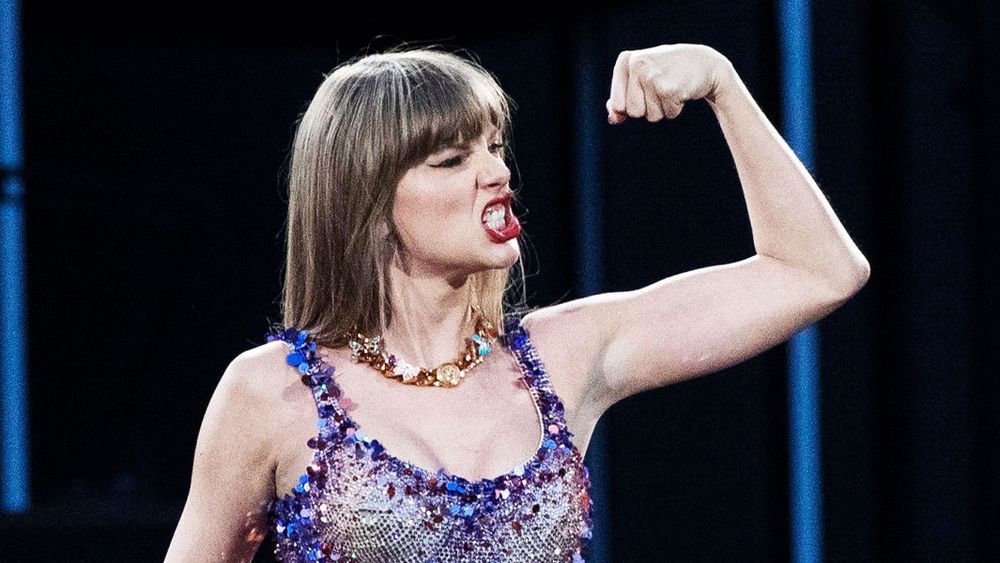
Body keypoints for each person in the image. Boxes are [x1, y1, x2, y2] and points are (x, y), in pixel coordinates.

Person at [165, 41, 870, 562]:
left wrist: (721, 81)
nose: (497, 173)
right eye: (452, 160)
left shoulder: (560, 358)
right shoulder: (270, 392)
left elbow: (816, 270)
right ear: (367, 203)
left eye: (495, 148)